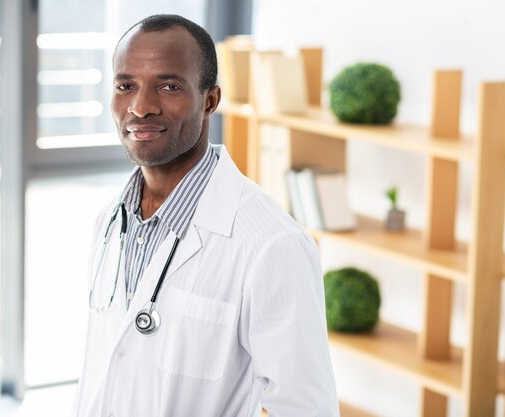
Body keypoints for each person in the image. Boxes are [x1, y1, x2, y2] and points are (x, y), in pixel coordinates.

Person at [73, 14, 339, 417]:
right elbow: (102, 367)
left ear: (210, 101)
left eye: (169, 86)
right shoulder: (110, 220)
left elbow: (306, 408)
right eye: (125, 86)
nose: (140, 107)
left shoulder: (272, 245)